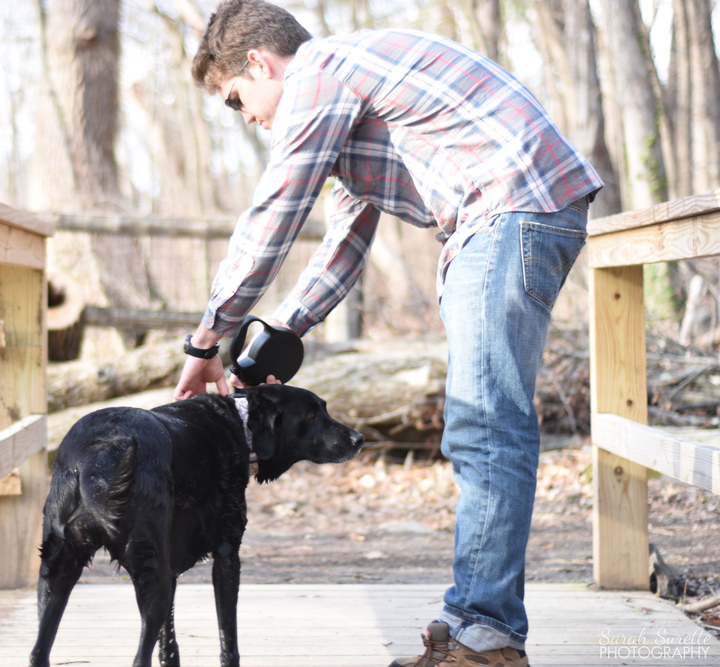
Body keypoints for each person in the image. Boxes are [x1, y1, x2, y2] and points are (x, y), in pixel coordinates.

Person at [173, 1, 602, 665]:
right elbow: (342, 245)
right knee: (478, 422)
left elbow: (272, 218)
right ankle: (470, 620)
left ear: (260, 63)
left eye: (237, 99)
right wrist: (279, 332)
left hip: (508, 206)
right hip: (508, 211)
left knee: (484, 424)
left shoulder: (320, 76)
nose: (249, 119)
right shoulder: (354, 105)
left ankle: (487, 636)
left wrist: (206, 339)